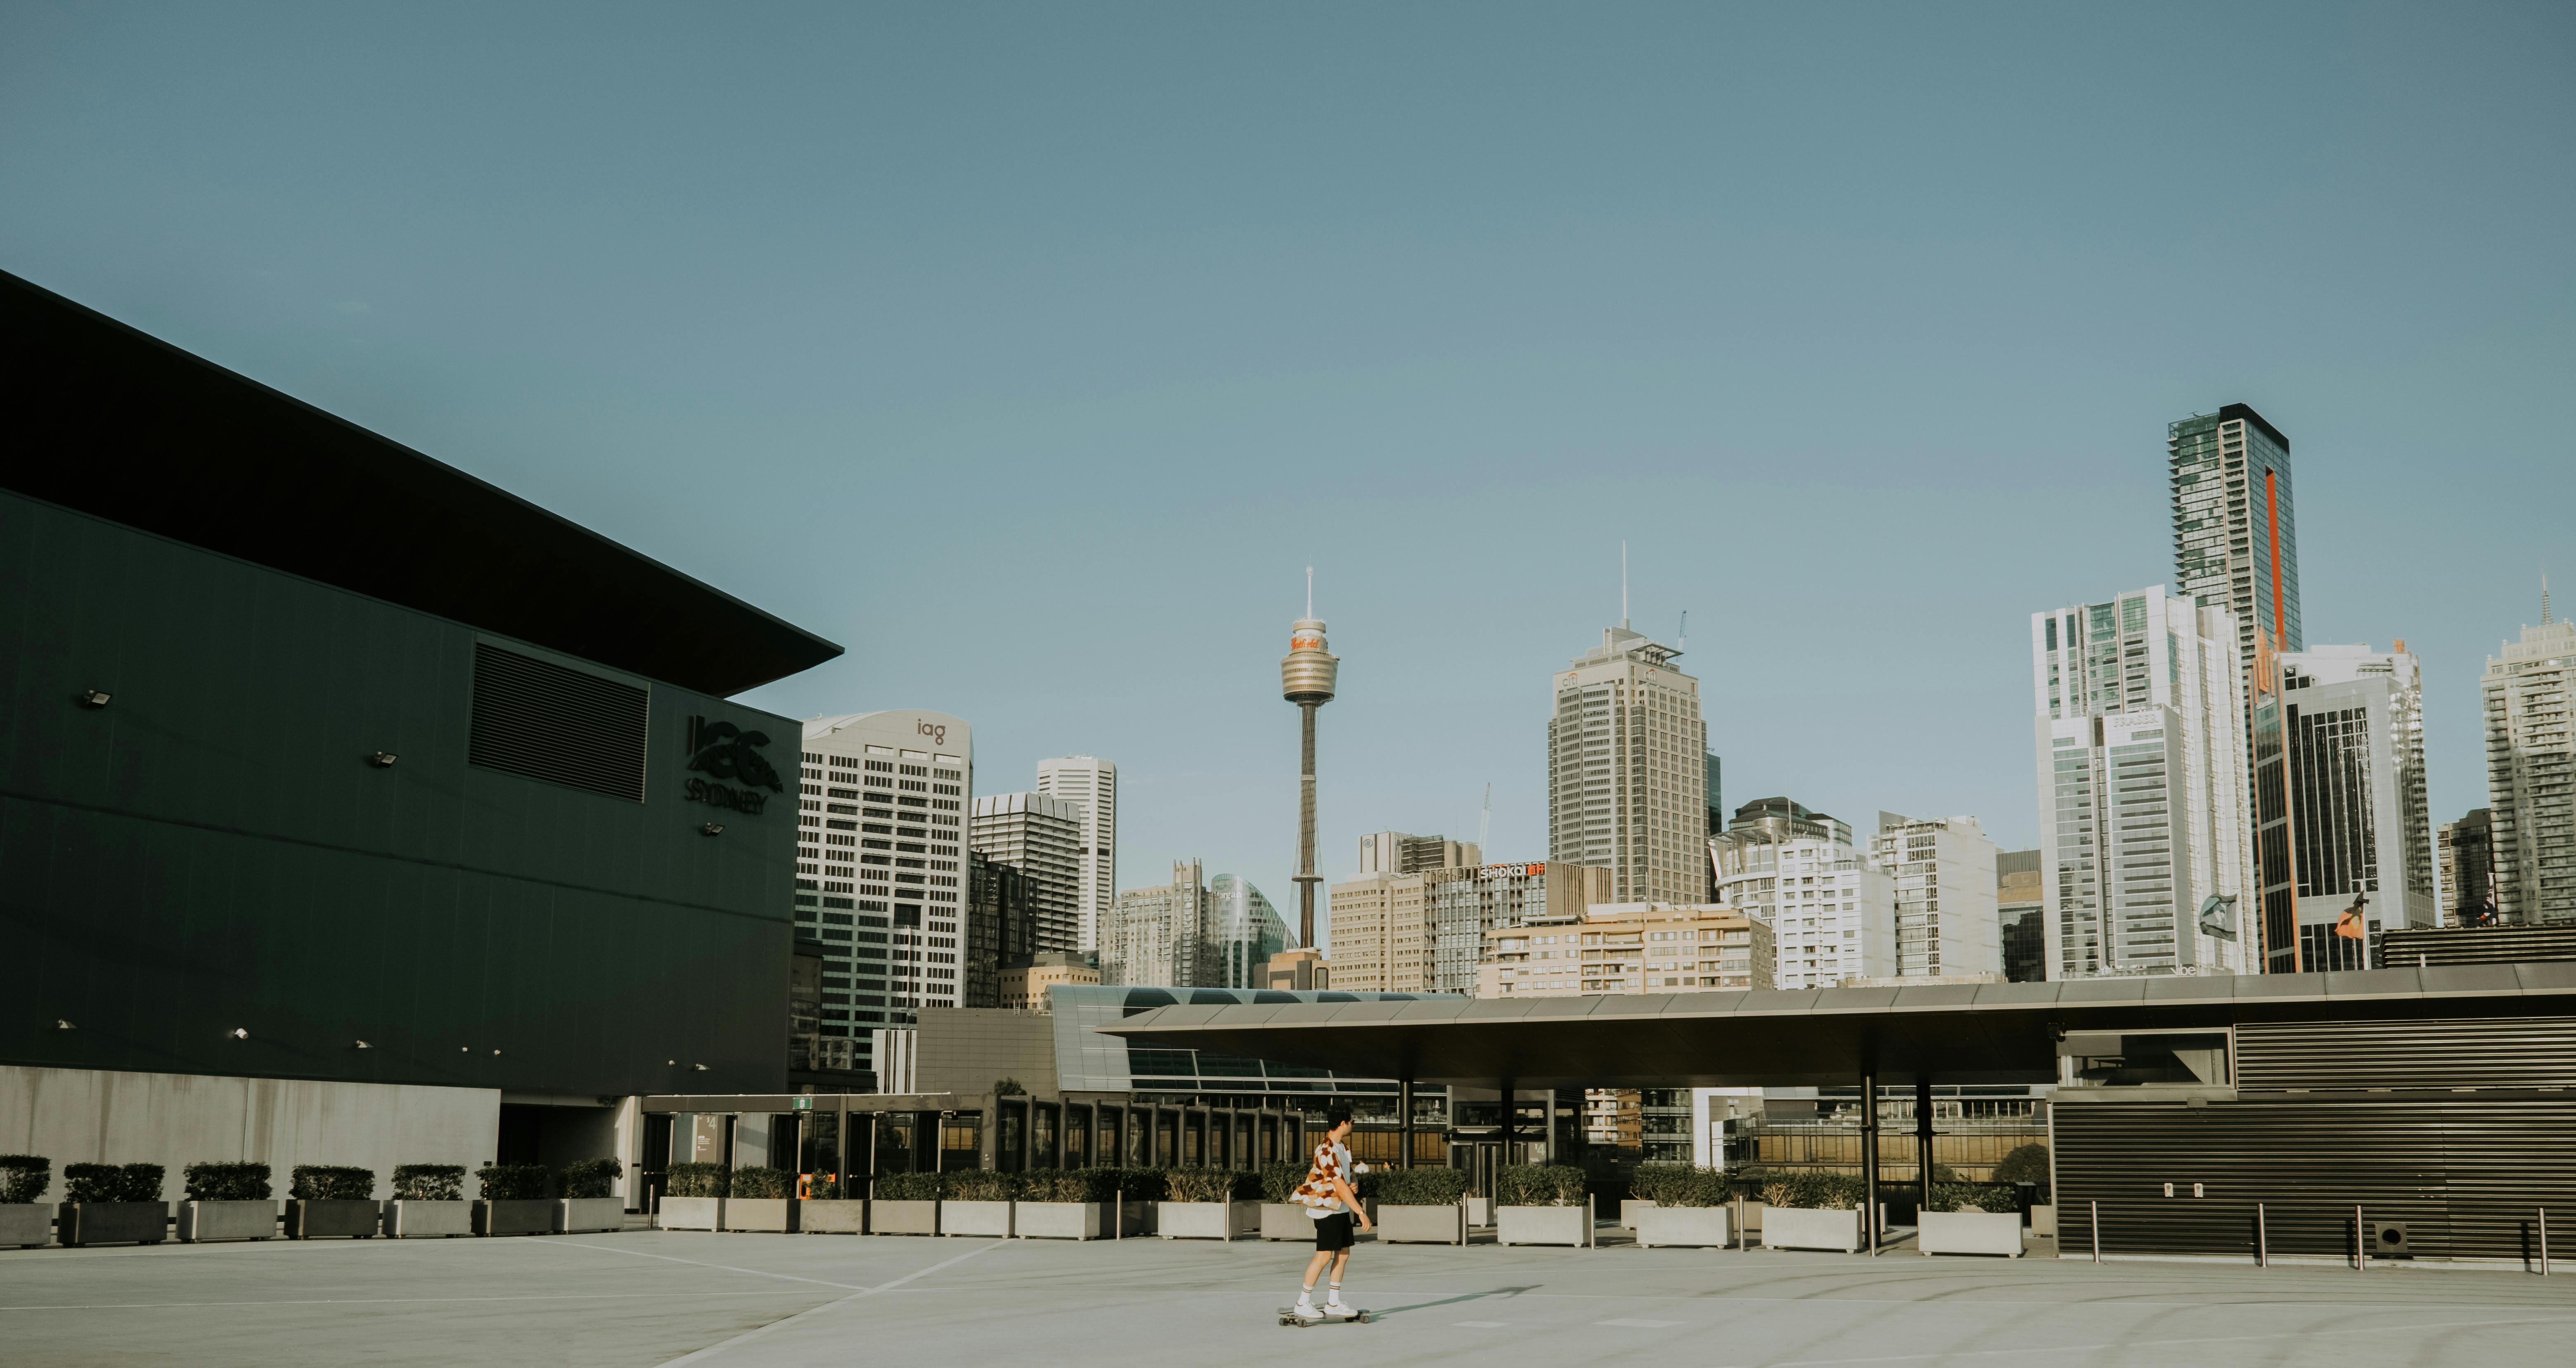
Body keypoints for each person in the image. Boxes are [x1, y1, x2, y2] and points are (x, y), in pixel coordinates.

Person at [1288, 1106, 1373, 1322]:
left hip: (1340, 1208)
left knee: (1343, 1253)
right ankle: (1302, 1303)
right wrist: (1361, 1212)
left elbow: (1349, 1177)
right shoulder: (1325, 1150)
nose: (1353, 1125)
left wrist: (1355, 1183)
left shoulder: (1343, 1148)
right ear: (1343, 1123)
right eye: (1352, 1121)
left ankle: (1333, 1302)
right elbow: (1338, 1185)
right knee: (1324, 1255)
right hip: (1326, 1209)